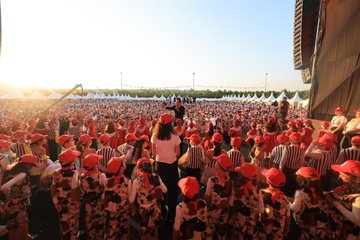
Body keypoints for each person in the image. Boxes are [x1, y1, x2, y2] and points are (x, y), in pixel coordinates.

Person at [151, 113, 181, 222]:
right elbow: (178, 153)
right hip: (172, 165)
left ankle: (162, 212)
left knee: (160, 190)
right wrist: (170, 155)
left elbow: (153, 154)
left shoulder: (155, 135)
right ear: (170, 123)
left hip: (159, 165)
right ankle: (172, 215)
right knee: (173, 190)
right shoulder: (175, 135)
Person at [129, 158, 167, 240]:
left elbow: (131, 199)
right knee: (154, 232)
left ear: (138, 170)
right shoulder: (156, 177)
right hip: (155, 209)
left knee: (144, 232)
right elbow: (165, 190)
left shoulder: (136, 182)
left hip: (143, 211)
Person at [1, 154, 38, 240]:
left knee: (12, 227)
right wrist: (9, 197)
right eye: (31, 166)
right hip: (18, 207)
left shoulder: (11, 171)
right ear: (27, 165)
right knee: (21, 227)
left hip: (11, 207)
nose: (32, 168)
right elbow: (4, 187)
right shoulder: (23, 174)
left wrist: (8, 199)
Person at [290, 167, 329, 239]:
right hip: (321, 226)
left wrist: (288, 203)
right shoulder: (320, 193)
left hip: (308, 227)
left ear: (301, 180)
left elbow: (295, 208)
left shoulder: (300, 193)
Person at [324, 160, 360, 239]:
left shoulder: (358, 198)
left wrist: (335, 203)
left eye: (342, 174)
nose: (339, 177)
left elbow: (357, 220)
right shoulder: (348, 187)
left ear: (350, 177)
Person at [50, 149, 81, 240]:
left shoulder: (56, 173)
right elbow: (75, 189)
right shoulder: (74, 173)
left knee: (64, 224)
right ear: (72, 161)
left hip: (61, 202)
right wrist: (77, 203)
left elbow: (52, 188)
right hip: (72, 204)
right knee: (73, 225)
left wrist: (55, 202)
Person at [228, 163, 264, 239]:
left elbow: (231, 204)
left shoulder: (236, 189)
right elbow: (261, 210)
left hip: (238, 223)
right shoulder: (257, 192)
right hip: (251, 225)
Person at [204, 154, 232, 240]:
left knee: (209, 232)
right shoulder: (229, 180)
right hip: (224, 213)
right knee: (221, 232)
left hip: (212, 212)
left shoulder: (212, 180)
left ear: (218, 169)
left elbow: (207, 197)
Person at [79, 154, 106, 240]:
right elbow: (106, 189)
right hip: (99, 204)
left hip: (88, 203)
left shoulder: (82, 176)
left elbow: (82, 190)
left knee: (89, 223)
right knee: (100, 224)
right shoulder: (101, 176)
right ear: (95, 164)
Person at [104, 156, 132, 240]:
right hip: (124, 211)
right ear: (121, 168)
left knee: (112, 231)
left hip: (112, 212)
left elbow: (104, 196)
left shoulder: (107, 181)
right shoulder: (128, 181)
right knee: (124, 232)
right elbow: (130, 198)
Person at [259, 168, 290, 240]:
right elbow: (288, 219)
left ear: (268, 181)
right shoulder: (286, 199)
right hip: (278, 235)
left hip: (263, 233)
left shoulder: (261, 193)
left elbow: (261, 215)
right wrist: (285, 232)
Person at [279, 132, 305, 197]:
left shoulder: (287, 148)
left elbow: (282, 161)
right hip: (295, 170)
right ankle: (290, 197)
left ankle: (283, 197)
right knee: (292, 185)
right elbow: (301, 163)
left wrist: (280, 171)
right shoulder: (302, 150)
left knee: (285, 185)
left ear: (290, 140)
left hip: (286, 170)